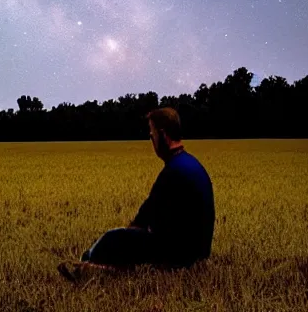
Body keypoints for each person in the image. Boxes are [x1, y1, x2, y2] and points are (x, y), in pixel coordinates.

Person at [58, 107, 215, 282]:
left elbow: (144, 218)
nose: (152, 141)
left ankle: (86, 266)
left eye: (152, 135)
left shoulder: (173, 173)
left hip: (180, 256)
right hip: (199, 251)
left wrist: (128, 237)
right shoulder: (192, 165)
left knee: (113, 238)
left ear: (163, 135)